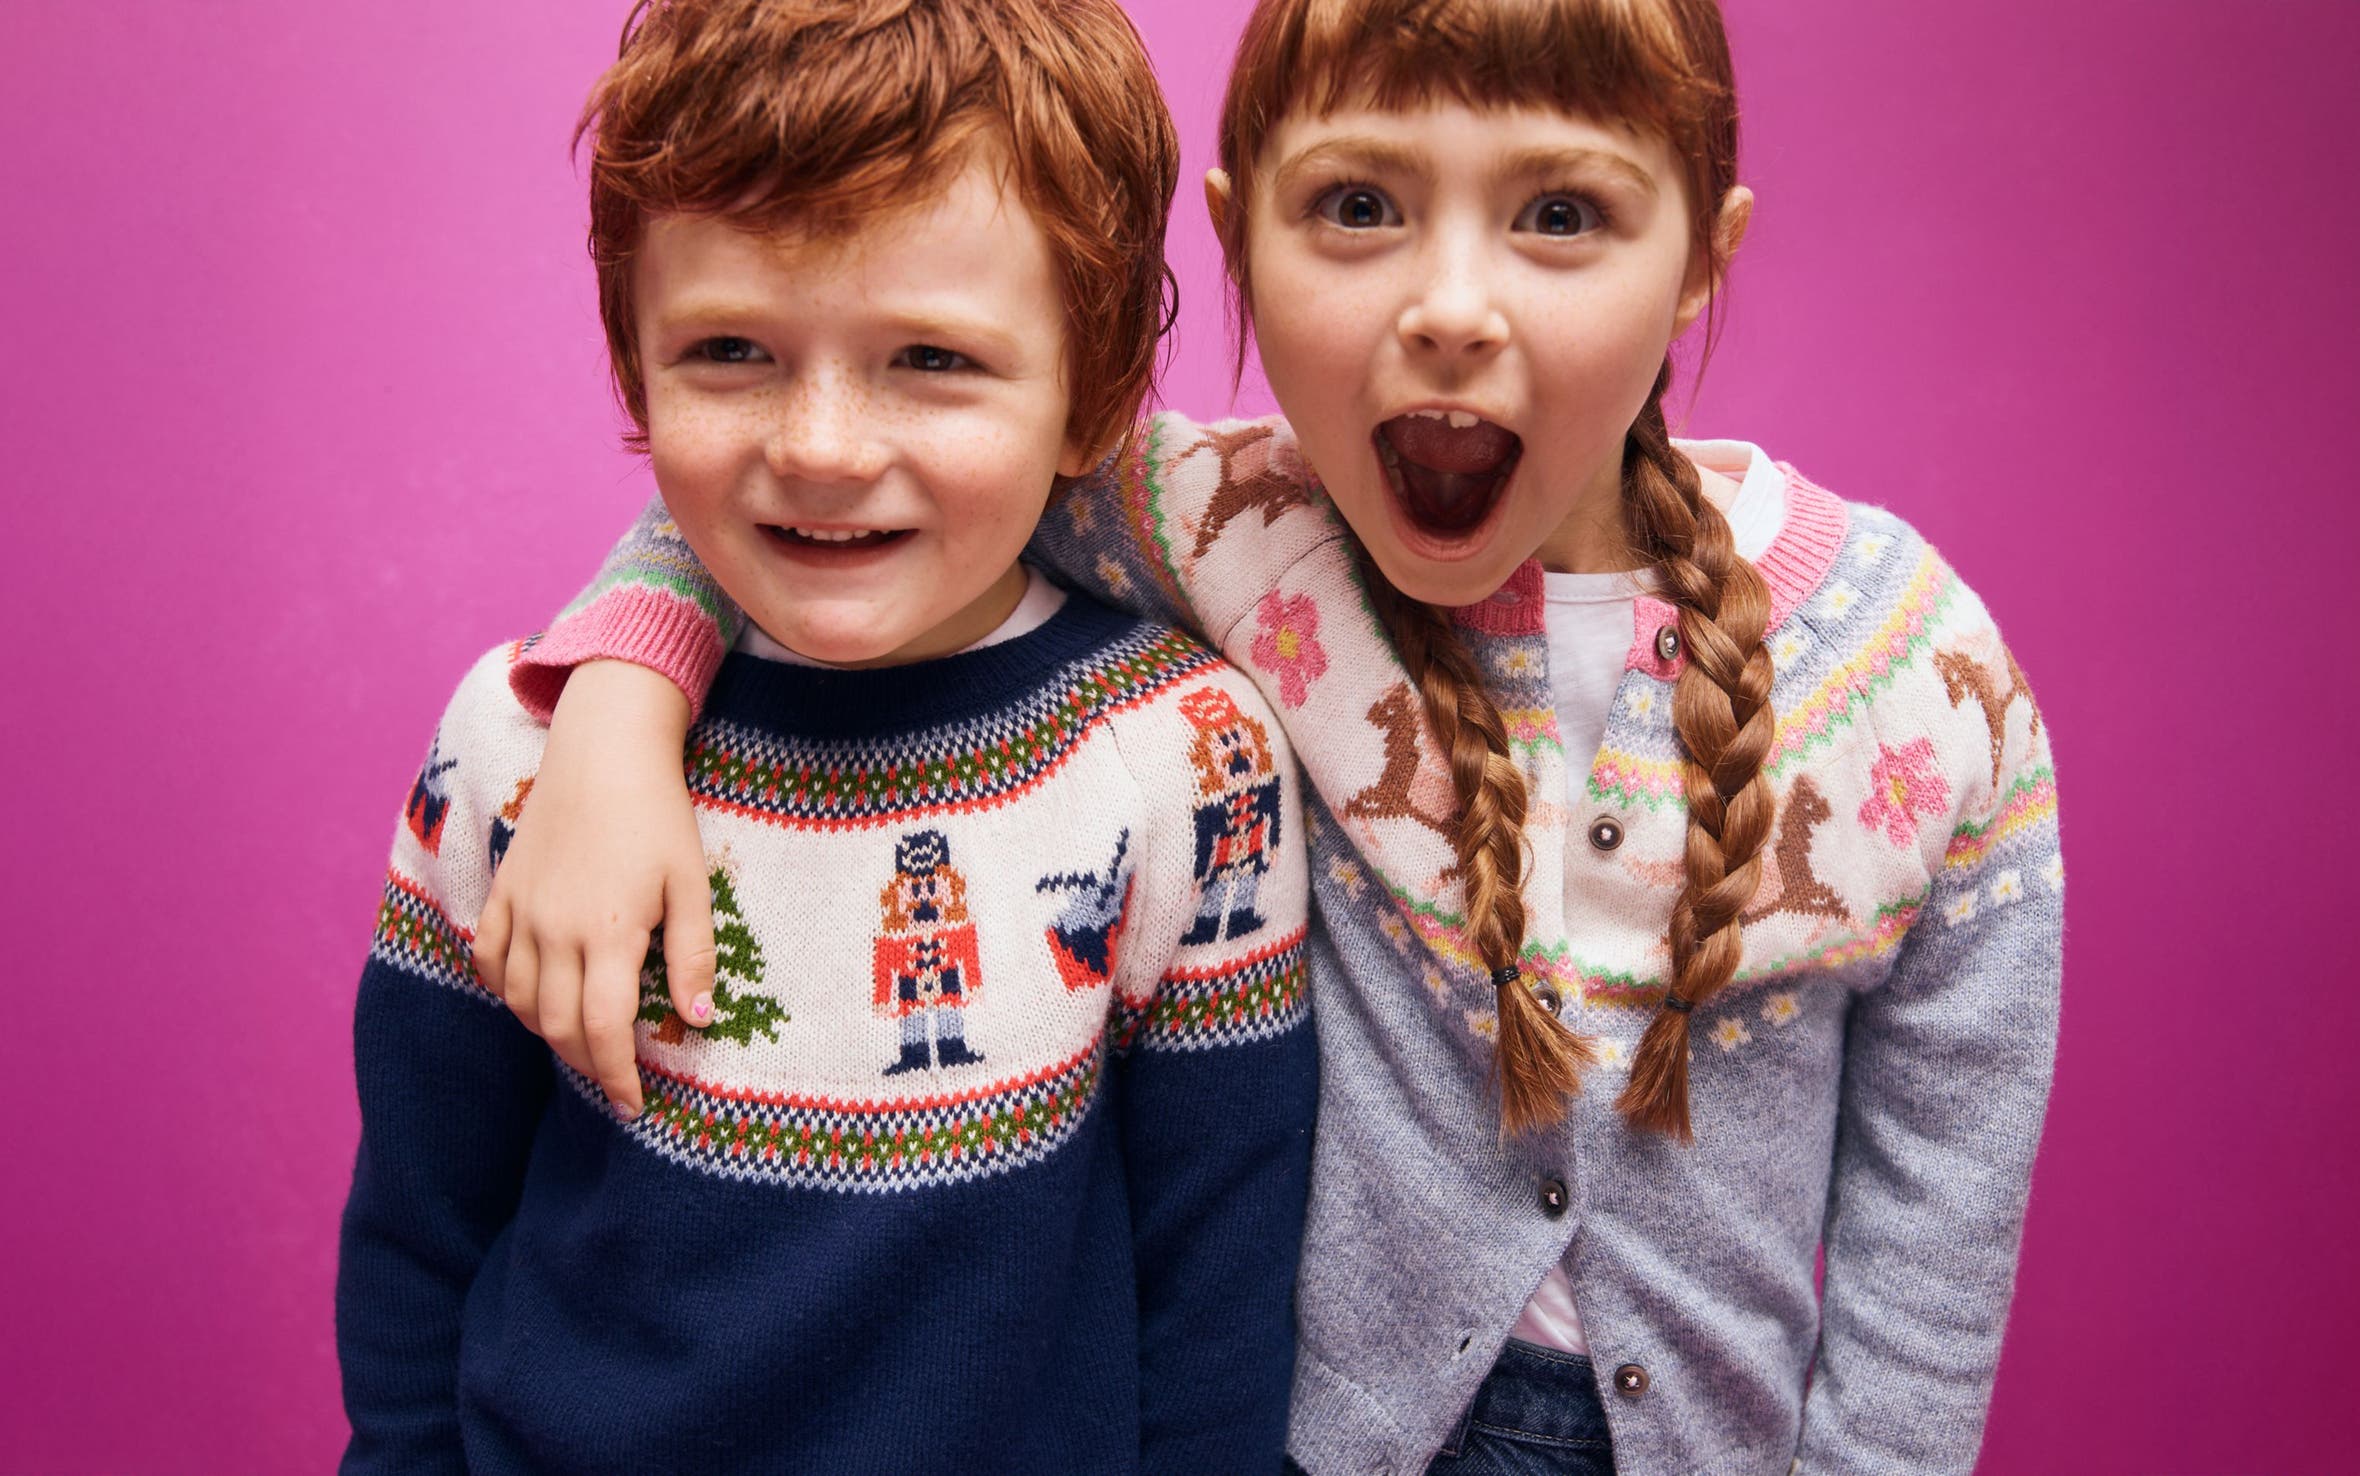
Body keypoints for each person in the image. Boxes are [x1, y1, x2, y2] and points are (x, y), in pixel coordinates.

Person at [481, 0, 2064, 1470]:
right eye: (1360, 207)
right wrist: (624, 705)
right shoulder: (1223, 525)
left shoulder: (1923, 681)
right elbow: (820, 463)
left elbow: (1940, 1234)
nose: (1450, 308)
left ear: (1701, 261)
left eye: (1562, 216)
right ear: (1237, 235)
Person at [334, 1, 1317, 1471]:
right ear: (634, 366)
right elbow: (421, 1225)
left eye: (931, 358)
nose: (823, 447)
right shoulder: (517, 747)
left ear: (1091, 393)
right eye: (731, 349)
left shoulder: (1184, 761)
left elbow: (1217, 1300)